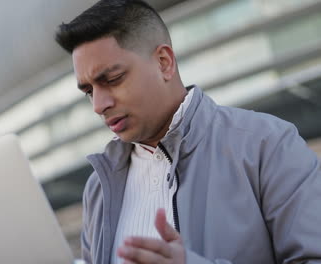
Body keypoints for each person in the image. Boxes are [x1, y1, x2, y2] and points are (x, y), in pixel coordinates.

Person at [55, 0, 321, 263]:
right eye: (89, 91)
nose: (99, 105)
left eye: (112, 80)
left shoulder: (267, 144)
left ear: (163, 62)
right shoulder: (97, 190)